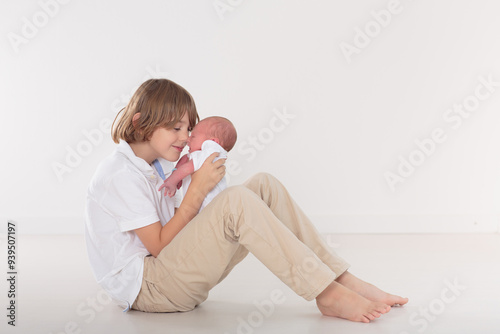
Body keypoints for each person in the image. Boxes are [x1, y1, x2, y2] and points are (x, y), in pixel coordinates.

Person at [84, 78, 408, 324]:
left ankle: (340, 277)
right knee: (237, 200)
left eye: (188, 128)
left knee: (263, 185)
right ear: (141, 122)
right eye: (175, 127)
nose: (185, 137)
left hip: (172, 272)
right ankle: (326, 293)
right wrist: (196, 192)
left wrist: (203, 188)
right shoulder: (118, 174)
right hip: (152, 288)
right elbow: (157, 247)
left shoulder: (160, 165)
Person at [158, 116, 236, 214]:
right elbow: (185, 160)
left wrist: (172, 181)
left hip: (211, 211)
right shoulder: (202, 156)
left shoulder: (210, 153)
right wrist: (176, 172)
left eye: (193, 136)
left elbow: (187, 168)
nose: (187, 139)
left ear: (212, 143)